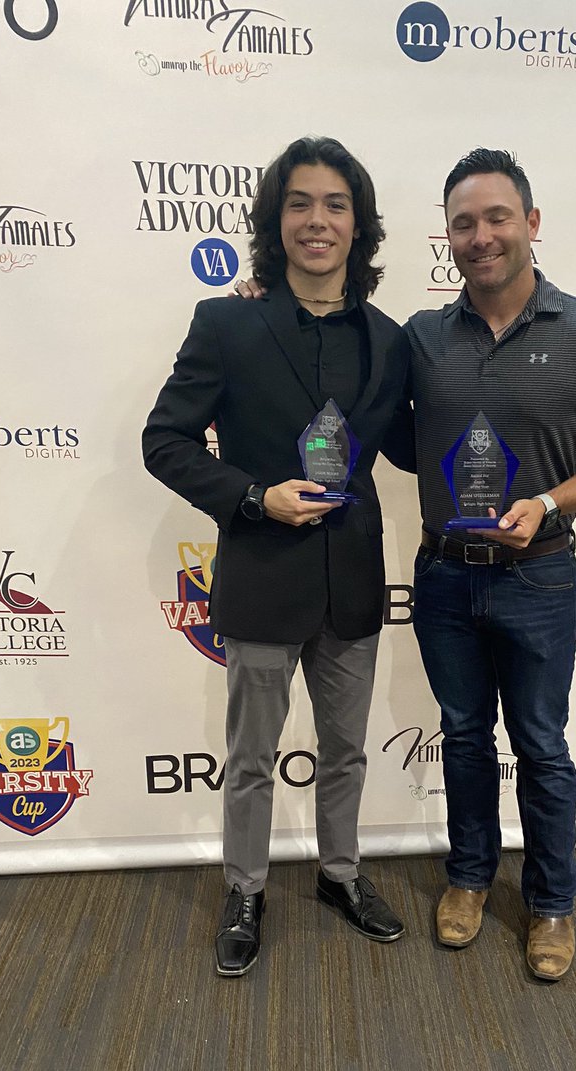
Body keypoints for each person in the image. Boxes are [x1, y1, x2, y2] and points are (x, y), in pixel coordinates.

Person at [143, 136, 414, 977]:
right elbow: (165, 441)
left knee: (347, 749)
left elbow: (410, 442)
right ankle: (247, 889)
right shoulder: (227, 321)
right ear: (276, 220)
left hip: (355, 585)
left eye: (336, 205)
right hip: (262, 576)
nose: (318, 220)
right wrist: (256, 496)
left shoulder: (393, 337)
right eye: (300, 204)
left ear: (360, 226)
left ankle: (341, 875)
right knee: (252, 757)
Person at [407, 149, 576, 979]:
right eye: (464, 223)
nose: (481, 236)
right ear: (448, 238)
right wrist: (269, 298)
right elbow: (340, 372)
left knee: (541, 743)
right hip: (441, 578)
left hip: (540, 575)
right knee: (465, 736)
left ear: (532, 223)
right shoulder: (420, 338)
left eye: (497, 217)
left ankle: (551, 904)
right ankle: (470, 880)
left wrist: (549, 502)